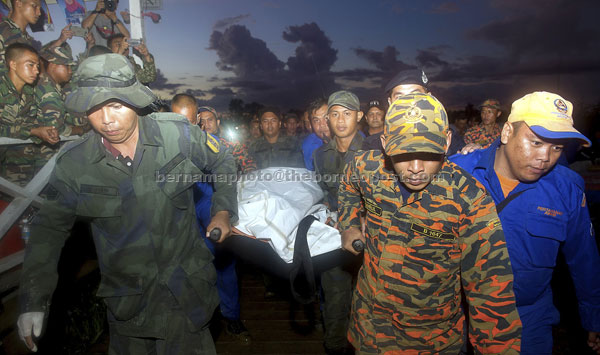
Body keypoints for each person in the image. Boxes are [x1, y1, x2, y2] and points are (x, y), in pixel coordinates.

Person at [17, 53, 238, 354]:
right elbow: (47, 230)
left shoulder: (178, 134)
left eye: (116, 105)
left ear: (134, 101)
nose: (106, 119)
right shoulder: (74, 165)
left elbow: (223, 159)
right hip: (130, 307)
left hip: (186, 294)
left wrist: (223, 209)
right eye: (94, 109)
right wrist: (33, 298)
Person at [339, 92, 522, 353]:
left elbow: (490, 290)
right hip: (369, 331)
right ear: (385, 142)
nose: (415, 167)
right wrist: (349, 223)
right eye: (403, 153)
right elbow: (348, 181)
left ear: (447, 141)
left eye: (427, 153)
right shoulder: (368, 168)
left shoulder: (468, 200)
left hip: (429, 342)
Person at [450, 91, 600, 355]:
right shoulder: (459, 172)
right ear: (507, 132)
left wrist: (593, 318)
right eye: (536, 142)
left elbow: (584, 258)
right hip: (455, 313)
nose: (545, 157)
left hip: (526, 320)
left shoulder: (566, 189)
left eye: (557, 147)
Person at [171, 96, 253, 344]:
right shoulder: (164, 145)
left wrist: (221, 212)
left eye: (192, 120)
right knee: (186, 269)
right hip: (180, 212)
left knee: (222, 264)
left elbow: (228, 176)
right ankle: (198, 321)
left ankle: (231, 316)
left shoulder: (215, 145)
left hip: (210, 206)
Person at [314, 90, 364, 355]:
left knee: (369, 302)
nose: (341, 120)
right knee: (334, 299)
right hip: (334, 240)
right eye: (334, 114)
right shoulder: (320, 156)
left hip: (371, 240)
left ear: (360, 116)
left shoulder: (376, 151)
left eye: (347, 113)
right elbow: (323, 193)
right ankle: (334, 347)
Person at [0, 43, 58, 186]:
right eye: (30, 65)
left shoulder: (28, 92)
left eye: (37, 66)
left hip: (11, 155)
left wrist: (45, 131)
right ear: (13, 64)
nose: (36, 71)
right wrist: (33, 131)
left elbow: (25, 123)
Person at [362, 68, 429, 151]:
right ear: (390, 103)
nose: (407, 103)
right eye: (399, 97)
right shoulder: (372, 147)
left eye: (415, 95)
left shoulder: (446, 141)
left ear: (429, 98)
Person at [0, 0, 73, 69]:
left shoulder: (26, 38)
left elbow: (42, 56)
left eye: (39, 8)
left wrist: (60, 40)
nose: (39, 13)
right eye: (34, 6)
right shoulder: (3, 31)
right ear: (18, 3)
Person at [198, 105, 256, 174]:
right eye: (202, 121)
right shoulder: (192, 147)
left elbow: (249, 164)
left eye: (210, 120)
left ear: (218, 123)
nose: (206, 124)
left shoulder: (232, 145)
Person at [302, 97, 330, 171]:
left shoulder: (354, 140)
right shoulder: (309, 143)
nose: (322, 124)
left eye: (326, 118)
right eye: (316, 120)